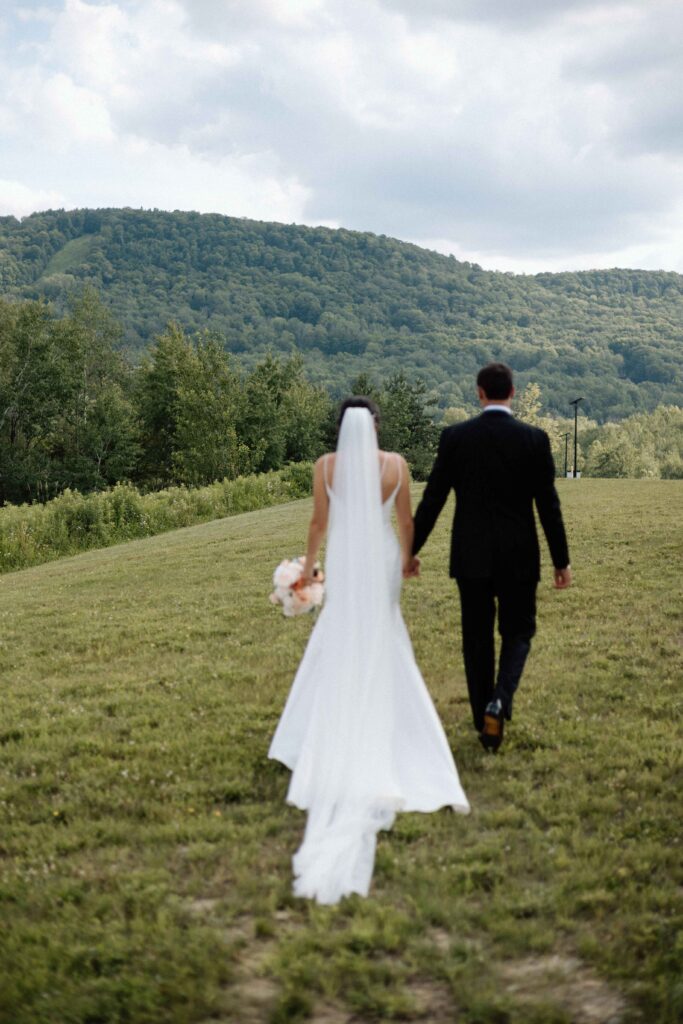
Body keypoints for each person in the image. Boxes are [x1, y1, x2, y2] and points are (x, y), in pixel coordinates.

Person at [269, 397, 469, 905]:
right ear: (375, 428)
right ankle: (390, 730)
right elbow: (405, 521)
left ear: (340, 430)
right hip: (379, 559)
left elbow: (318, 523)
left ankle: (318, 736)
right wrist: (408, 558)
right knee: (383, 635)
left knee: (337, 636)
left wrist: (311, 569)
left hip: (346, 557)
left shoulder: (325, 467)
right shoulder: (396, 465)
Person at [409, 363, 571, 752]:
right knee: (518, 632)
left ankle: (484, 715)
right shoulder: (534, 439)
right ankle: (500, 700)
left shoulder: (456, 438)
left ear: (479, 393)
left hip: (471, 556)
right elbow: (549, 506)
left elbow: (433, 499)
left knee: (477, 638)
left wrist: (410, 551)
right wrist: (560, 560)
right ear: (512, 393)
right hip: (520, 556)